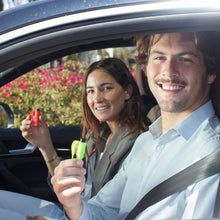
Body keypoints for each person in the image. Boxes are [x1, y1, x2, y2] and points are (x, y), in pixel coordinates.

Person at [50, 31, 220, 220]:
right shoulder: (146, 141)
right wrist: (73, 204)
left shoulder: (210, 153)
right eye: (159, 57)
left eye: (185, 59)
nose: (169, 71)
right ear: (146, 68)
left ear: (210, 72)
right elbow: (105, 210)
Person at [0, 57, 149, 219]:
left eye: (106, 88)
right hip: (73, 211)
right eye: (91, 91)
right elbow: (71, 186)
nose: (97, 99)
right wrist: (44, 145)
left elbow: (114, 212)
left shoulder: (136, 145)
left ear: (127, 92)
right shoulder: (97, 134)